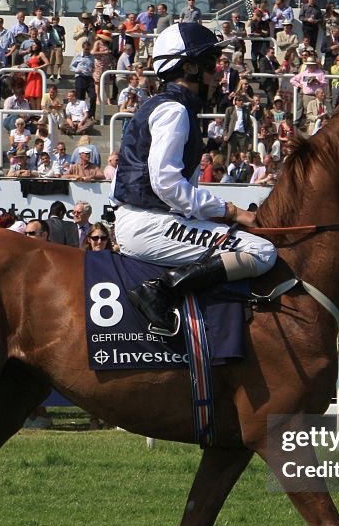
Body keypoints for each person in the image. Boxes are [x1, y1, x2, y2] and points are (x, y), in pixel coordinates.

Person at [112, 23, 276, 334]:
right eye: (212, 63)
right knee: (262, 252)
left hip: (147, 218)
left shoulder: (165, 105)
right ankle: (161, 291)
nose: (219, 73)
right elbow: (167, 185)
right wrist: (231, 211)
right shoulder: (174, 110)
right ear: (189, 67)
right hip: (149, 224)